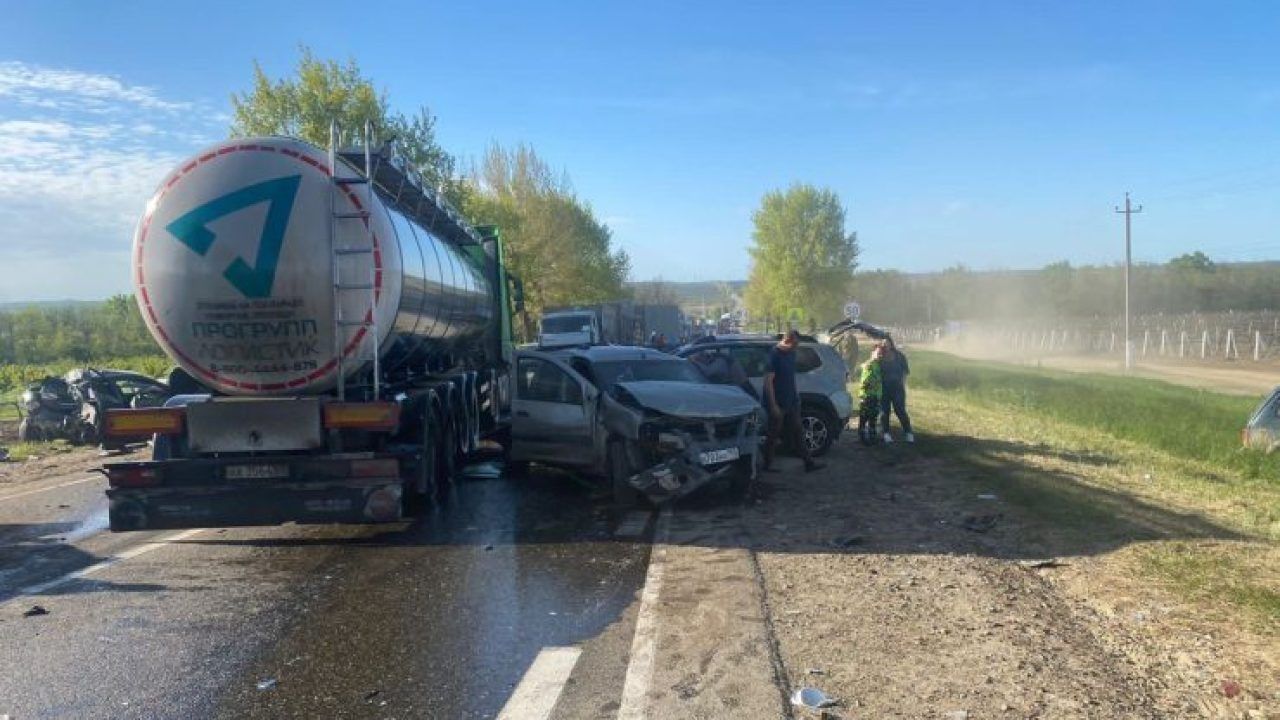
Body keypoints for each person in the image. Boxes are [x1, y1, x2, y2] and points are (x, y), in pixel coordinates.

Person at [763, 330, 823, 472]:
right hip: (778, 402)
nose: (796, 347)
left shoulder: (791, 353)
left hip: (792, 401)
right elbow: (768, 382)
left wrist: (796, 397)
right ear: (787, 341)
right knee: (773, 434)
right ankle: (767, 465)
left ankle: (808, 463)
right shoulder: (774, 355)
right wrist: (773, 405)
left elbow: (790, 378)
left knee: (798, 431)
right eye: (795, 344)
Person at [690, 342, 758, 400]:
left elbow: (708, 371)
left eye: (699, 357)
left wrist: (694, 361)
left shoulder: (720, 360)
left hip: (742, 386)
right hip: (736, 388)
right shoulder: (719, 359)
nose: (700, 360)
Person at [879, 337, 914, 443]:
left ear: (891, 343)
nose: (885, 345)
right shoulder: (879, 356)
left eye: (887, 343)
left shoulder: (899, 356)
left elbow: (905, 371)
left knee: (900, 410)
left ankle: (908, 432)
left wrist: (903, 384)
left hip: (897, 388)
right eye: (883, 343)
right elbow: (871, 367)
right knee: (885, 412)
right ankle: (886, 433)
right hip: (883, 388)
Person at [857, 344, 884, 445]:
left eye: (881, 354)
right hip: (867, 395)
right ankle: (862, 437)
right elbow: (865, 382)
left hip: (876, 395)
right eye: (878, 353)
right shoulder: (869, 365)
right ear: (872, 353)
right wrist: (874, 383)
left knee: (873, 417)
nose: (879, 355)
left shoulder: (878, 365)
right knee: (864, 416)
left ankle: (872, 437)